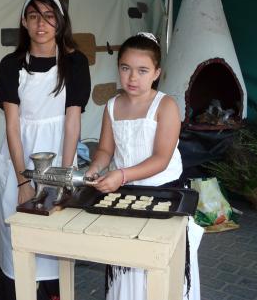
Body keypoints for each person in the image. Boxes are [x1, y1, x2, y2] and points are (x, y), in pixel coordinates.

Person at [85, 33, 203, 300]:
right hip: (126, 195)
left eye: (142, 70)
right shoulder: (112, 106)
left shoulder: (166, 106)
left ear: (156, 72)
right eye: (125, 69)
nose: (132, 78)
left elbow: (161, 159)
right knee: (126, 262)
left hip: (165, 196)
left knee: (159, 267)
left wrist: (122, 174)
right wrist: (95, 168)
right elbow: (105, 150)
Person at [0, 0, 91, 300]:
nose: (41, 24)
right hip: (19, 156)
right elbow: (12, 124)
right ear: (24, 21)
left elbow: (72, 120)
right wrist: (25, 179)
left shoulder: (75, 63)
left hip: (60, 150)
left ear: (60, 23)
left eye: (49, 16)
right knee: (18, 231)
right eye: (34, 16)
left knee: (56, 233)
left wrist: (63, 175)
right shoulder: (11, 64)